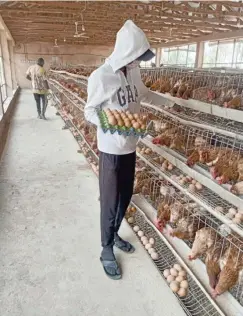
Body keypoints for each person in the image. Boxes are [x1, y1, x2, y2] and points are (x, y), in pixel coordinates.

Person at [84, 20, 154, 280]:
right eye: (137, 57)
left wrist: (173, 103)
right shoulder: (101, 76)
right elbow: (89, 111)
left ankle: (114, 234)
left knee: (125, 197)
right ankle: (105, 248)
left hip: (130, 147)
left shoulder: (132, 73)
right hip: (111, 149)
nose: (139, 62)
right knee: (110, 201)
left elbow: (144, 94)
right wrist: (108, 123)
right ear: (126, 52)